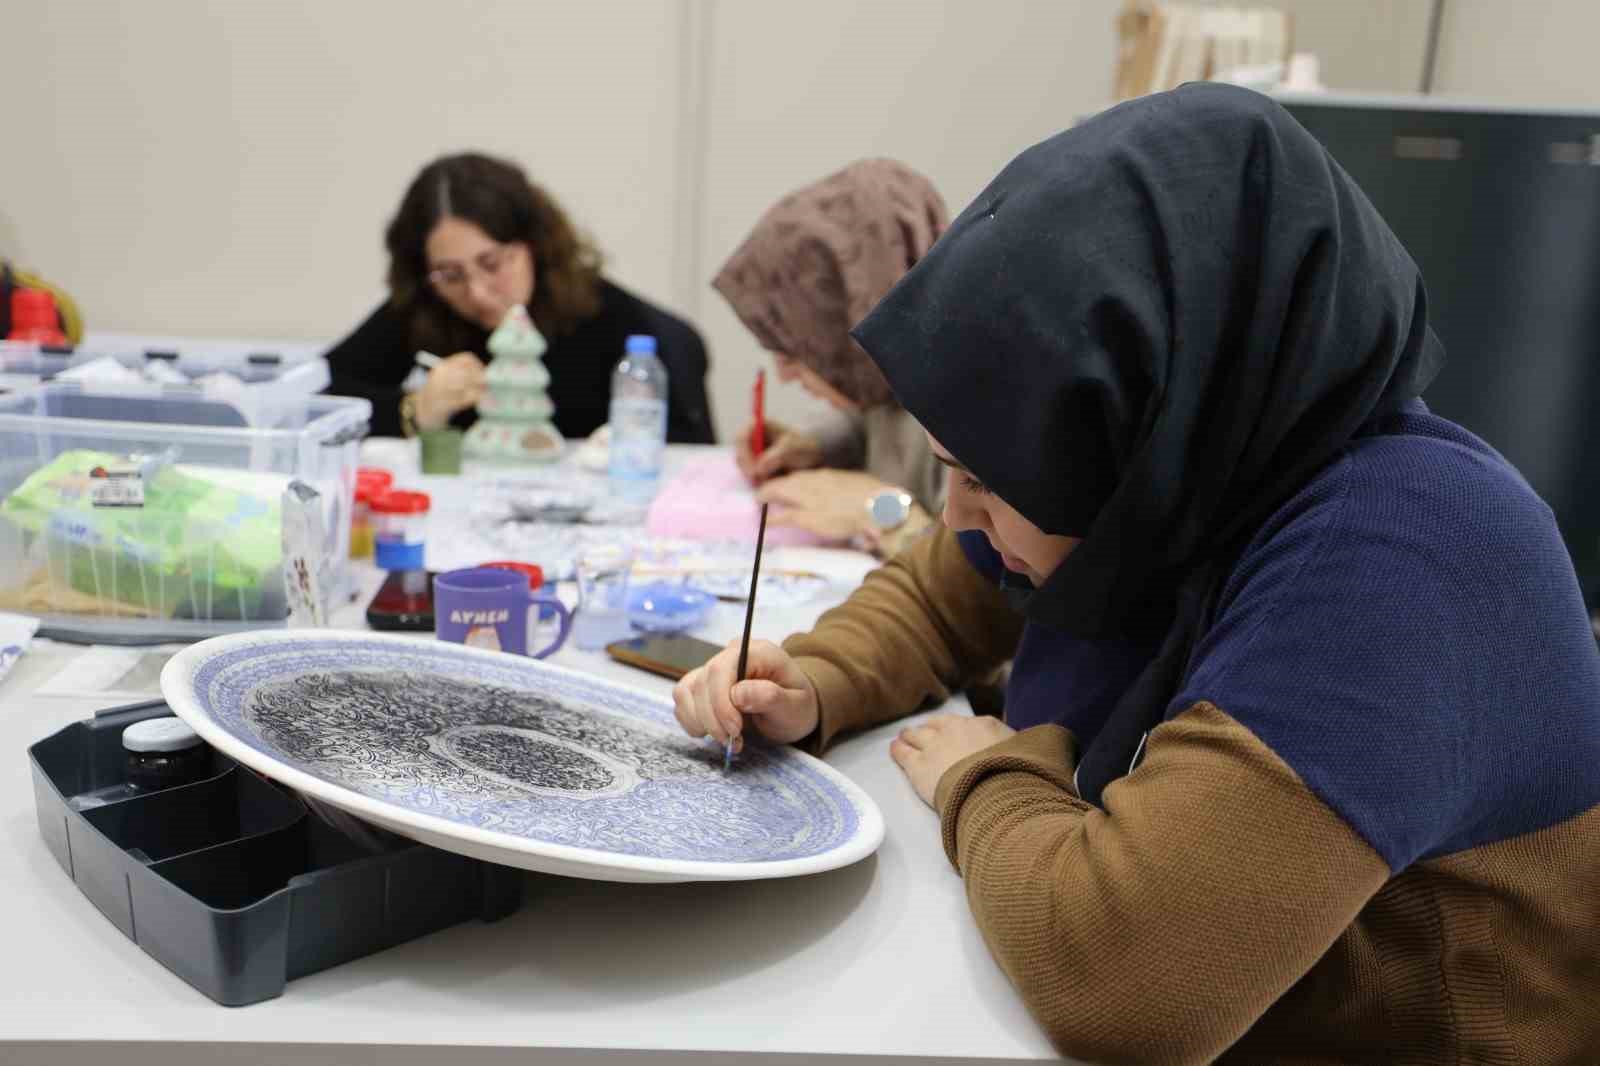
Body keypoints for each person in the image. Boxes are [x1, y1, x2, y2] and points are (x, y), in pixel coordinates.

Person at [672, 84, 1600, 1062]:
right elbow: (941, 593)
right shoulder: (1183, 470)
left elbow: (1120, 979)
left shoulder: (1402, 557)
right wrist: (814, 680)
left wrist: (981, 774)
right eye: (949, 470)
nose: (956, 514)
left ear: (1149, 412)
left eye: (983, 479)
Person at [325, 153, 715, 443]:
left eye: (492, 263)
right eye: (451, 274)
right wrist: (415, 410)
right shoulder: (427, 303)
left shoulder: (610, 316)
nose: (477, 292)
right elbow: (320, 396)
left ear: (534, 245)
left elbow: (687, 454)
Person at [712, 158, 949, 558]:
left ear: (855, 314)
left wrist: (876, 508)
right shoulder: (896, 365)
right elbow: (877, 419)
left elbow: (981, 582)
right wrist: (815, 446)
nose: (784, 375)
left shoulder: (971, 399)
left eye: (797, 350)